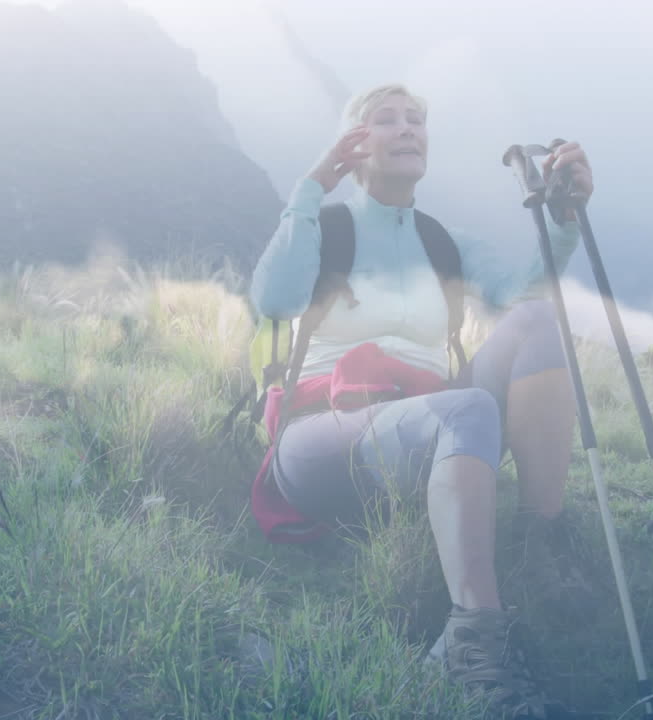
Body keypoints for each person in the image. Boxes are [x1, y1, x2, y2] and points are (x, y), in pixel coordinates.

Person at [248, 83, 594, 719]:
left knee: (539, 321)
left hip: (429, 429)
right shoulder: (325, 227)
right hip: (323, 436)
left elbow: (522, 296)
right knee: (470, 410)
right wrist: (309, 190)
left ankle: (540, 543)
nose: (408, 129)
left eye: (417, 120)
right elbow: (273, 301)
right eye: (387, 120)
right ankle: (471, 643)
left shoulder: (444, 241)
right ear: (354, 146)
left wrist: (562, 224)